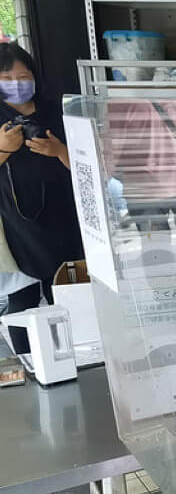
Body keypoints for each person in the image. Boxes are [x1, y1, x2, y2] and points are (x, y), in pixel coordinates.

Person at [0, 43, 83, 354]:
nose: (17, 84)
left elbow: (89, 165)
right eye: (6, 78)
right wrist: (4, 148)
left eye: (23, 76)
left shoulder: (60, 110)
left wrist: (59, 151)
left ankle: (72, 360)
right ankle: (27, 362)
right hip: (15, 227)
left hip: (63, 219)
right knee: (21, 300)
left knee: (69, 296)